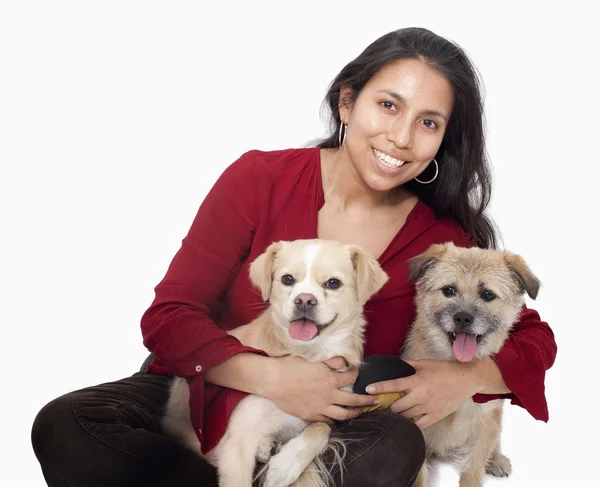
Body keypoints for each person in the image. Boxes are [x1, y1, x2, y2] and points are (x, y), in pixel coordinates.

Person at [31, 27, 557, 487]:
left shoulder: (440, 242)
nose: (400, 137)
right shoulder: (260, 179)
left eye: (428, 122)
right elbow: (170, 314)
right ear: (347, 102)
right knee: (67, 425)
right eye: (388, 105)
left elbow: (533, 336)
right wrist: (270, 377)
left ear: (443, 139)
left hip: (327, 419)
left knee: (394, 446)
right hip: (206, 388)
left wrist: (466, 378)